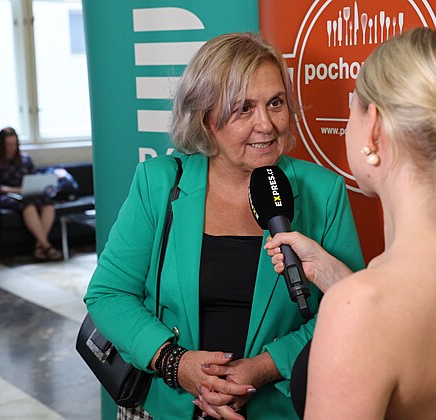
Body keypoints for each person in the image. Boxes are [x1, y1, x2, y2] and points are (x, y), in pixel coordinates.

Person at [84, 32, 364, 420]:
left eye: (275, 103)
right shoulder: (158, 183)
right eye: (243, 108)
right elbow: (109, 294)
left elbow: (349, 310)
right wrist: (174, 362)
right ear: (205, 118)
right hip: (166, 409)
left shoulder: (323, 191)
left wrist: (266, 366)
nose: (266, 124)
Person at [265, 27, 436, 420]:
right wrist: (336, 278)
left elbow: (383, 322)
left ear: (374, 127)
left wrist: (351, 299)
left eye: (352, 106)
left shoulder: (361, 309)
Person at [0, 127, 62, 261]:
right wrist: (18, 190)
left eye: (14, 144)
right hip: (9, 194)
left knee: (48, 204)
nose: (12, 147)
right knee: (29, 206)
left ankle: (39, 246)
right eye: (8, 144)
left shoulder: (25, 159)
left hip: (28, 192)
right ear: (2, 145)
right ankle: (47, 246)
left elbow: (33, 178)